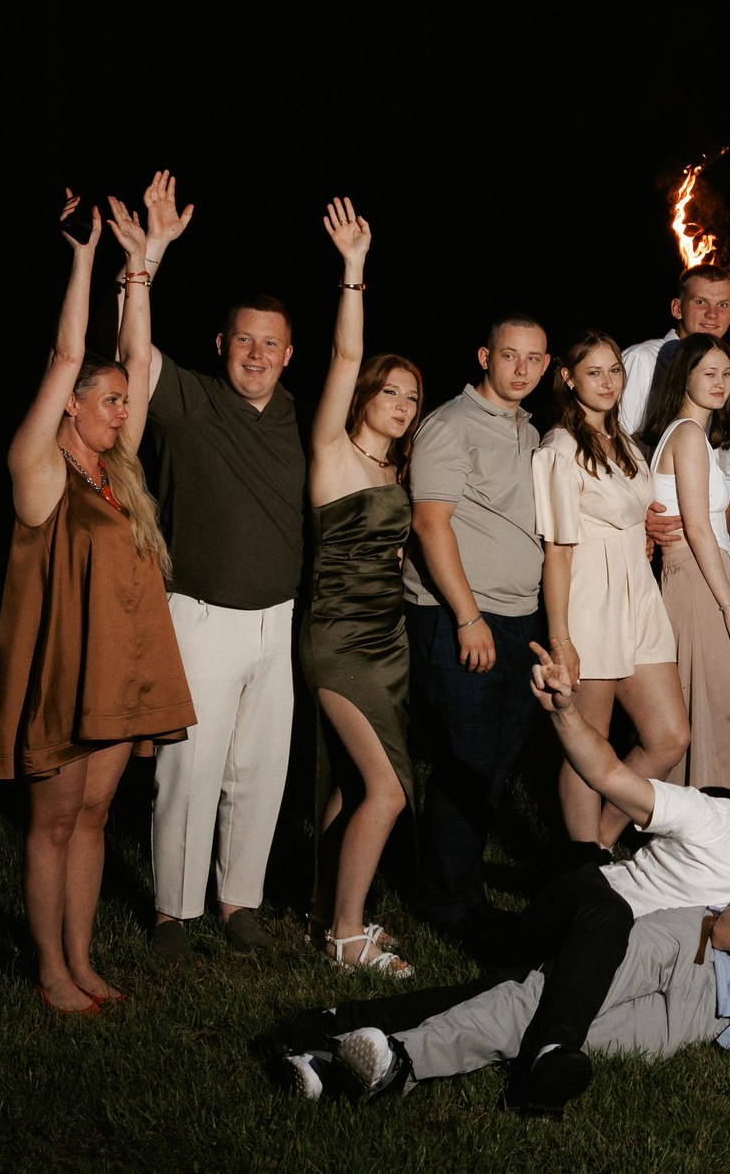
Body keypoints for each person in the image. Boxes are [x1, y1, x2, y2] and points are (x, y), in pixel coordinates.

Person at [277, 660, 730, 1118]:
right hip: (578, 907)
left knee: (505, 995)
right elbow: (612, 777)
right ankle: (552, 1051)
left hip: (607, 962)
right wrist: (567, 715)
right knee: (610, 917)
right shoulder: (714, 816)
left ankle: (324, 1037)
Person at [289, 762, 730, 1105]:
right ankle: (401, 1061)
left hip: (711, 1018)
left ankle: (335, 1064)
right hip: (688, 946)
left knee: (562, 1031)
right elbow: (728, 927)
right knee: (538, 1001)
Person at [0, 196, 198, 1016]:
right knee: (56, 821)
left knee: (98, 815)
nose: (122, 410)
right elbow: (75, 351)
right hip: (58, 673)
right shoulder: (39, 471)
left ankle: (80, 958)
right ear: (72, 401)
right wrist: (83, 260)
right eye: (106, 402)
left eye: (121, 403)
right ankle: (47, 971)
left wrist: (141, 272)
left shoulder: (119, 473)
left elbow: (135, 363)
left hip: (117, 673)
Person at [114, 173, 305, 959]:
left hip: (278, 619)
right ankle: (172, 913)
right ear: (220, 345)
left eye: (271, 344)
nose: (256, 355)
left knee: (258, 769)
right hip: (201, 612)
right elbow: (131, 352)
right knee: (188, 771)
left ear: (289, 355)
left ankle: (239, 902)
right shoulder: (186, 399)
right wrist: (147, 261)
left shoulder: (296, 414)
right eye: (244, 341)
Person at [294, 198, 423, 976]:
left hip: (389, 640)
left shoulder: (391, 469)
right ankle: (348, 934)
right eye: (390, 393)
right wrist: (354, 270)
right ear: (366, 395)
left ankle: (321, 917)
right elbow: (343, 360)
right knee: (388, 789)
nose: (402, 407)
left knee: (352, 782)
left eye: (412, 397)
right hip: (339, 638)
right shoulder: (334, 454)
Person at [404, 313, 551, 945]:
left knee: (493, 765)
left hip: (518, 619)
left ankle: (459, 890)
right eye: (510, 356)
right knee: (466, 762)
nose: (522, 369)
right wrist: (467, 617)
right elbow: (430, 523)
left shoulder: (529, 428)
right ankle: (446, 907)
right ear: (484, 357)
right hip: (463, 617)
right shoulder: (449, 425)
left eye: (534, 359)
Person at [535, 330, 687, 855]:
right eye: (592, 371)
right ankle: (582, 862)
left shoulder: (622, 439)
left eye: (614, 370)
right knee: (588, 740)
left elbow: (631, 511)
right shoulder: (559, 447)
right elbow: (557, 549)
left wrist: (646, 531)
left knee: (670, 737)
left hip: (638, 593)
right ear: (568, 378)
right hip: (589, 599)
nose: (606, 382)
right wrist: (562, 638)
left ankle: (602, 840)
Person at [640, 333, 730, 795]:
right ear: (685, 377)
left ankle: (708, 817)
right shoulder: (688, 434)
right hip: (700, 582)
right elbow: (698, 528)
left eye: (727, 374)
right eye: (709, 373)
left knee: (712, 707)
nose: (720, 383)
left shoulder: (686, 434)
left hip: (699, 577)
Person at [617, 261, 730, 438]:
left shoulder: (722, 370)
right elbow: (616, 436)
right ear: (677, 308)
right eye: (700, 302)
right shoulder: (644, 359)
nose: (712, 314)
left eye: (722, 305)